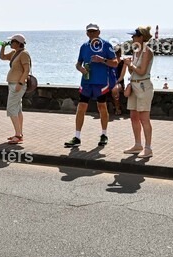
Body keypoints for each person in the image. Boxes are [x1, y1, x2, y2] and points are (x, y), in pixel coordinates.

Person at [65, 23, 118, 148]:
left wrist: (102, 60)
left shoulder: (106, 45)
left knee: (102, 107)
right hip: (86, 82)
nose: (92, 33)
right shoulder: (84, 47)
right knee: (81, 107)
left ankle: (104, 135)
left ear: (99, 32)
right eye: (89, 32)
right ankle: (77, 137)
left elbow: (115, 63)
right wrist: (81, 69)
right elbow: (78, 64)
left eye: (94, 31)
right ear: (86, 33)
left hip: (101, 83)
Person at [122, 26, 155, 158]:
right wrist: (129, 65)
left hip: (143, 87)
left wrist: (129, 65)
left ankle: (148, 148)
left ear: (141, 37)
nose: (132, 38)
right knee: (134, 117)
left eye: (134, 36)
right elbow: (133, 71)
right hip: (135, 86)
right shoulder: (136, 51)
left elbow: (141, 71)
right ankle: (138, 145)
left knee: (144, 118)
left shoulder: (147, 51)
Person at [0, 33, 31, 144]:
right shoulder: (14, 53)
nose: (11, 43)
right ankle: (19, 133)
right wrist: (3, 46)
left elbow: (27, 70)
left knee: (11, 108)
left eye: (12, 41)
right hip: (13, 84)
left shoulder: (24, 54)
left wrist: (21, 83)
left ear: (18, 43)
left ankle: (18, 135)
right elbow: (2, 57)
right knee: (17, 109)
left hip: (18, 84)